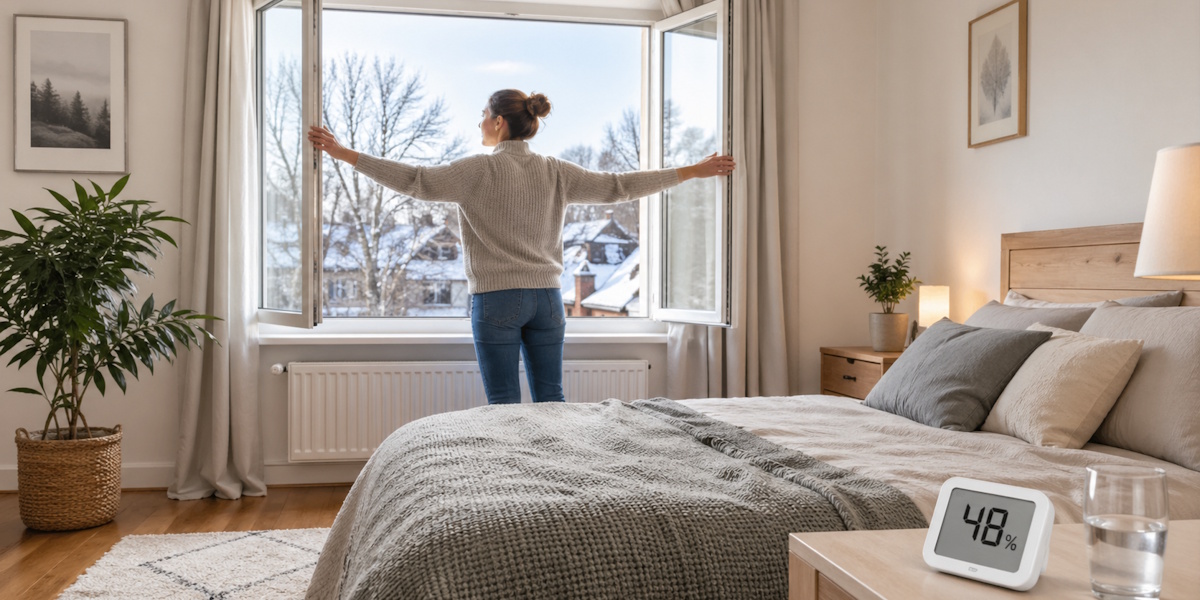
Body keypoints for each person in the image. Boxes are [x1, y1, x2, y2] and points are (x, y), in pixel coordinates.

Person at [308, 89, 735, 405]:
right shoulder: (555, 170)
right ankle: (554, 487)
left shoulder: (475, 170)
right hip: (549, 300)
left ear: (498, 122)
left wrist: (343, 153)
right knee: (552, 399)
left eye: (482, 116)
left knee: (504, 404)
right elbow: (617, 187)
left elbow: (415, 181)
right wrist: (693, 170)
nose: (479, 124)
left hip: (496, 301)